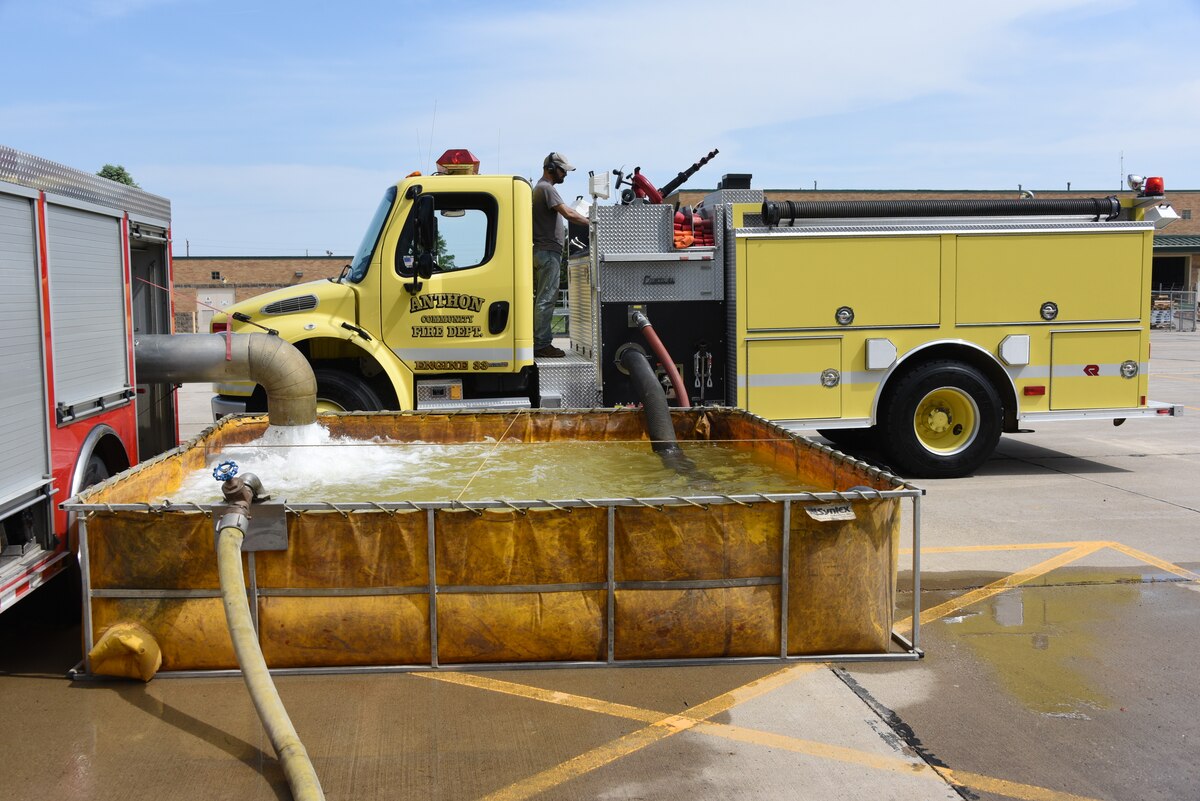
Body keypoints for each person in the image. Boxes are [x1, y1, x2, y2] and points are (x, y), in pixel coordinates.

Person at [532, 152, 589, 357]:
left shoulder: (540, 188)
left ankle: (538, 341)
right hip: (548, 252)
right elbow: (568, 213)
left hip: (543, 251)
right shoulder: (546, 188)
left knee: (542, 298)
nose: (565, 174)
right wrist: (593, 223)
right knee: (547, 298)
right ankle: (541, 344)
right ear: (550, 168)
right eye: (563, 170)